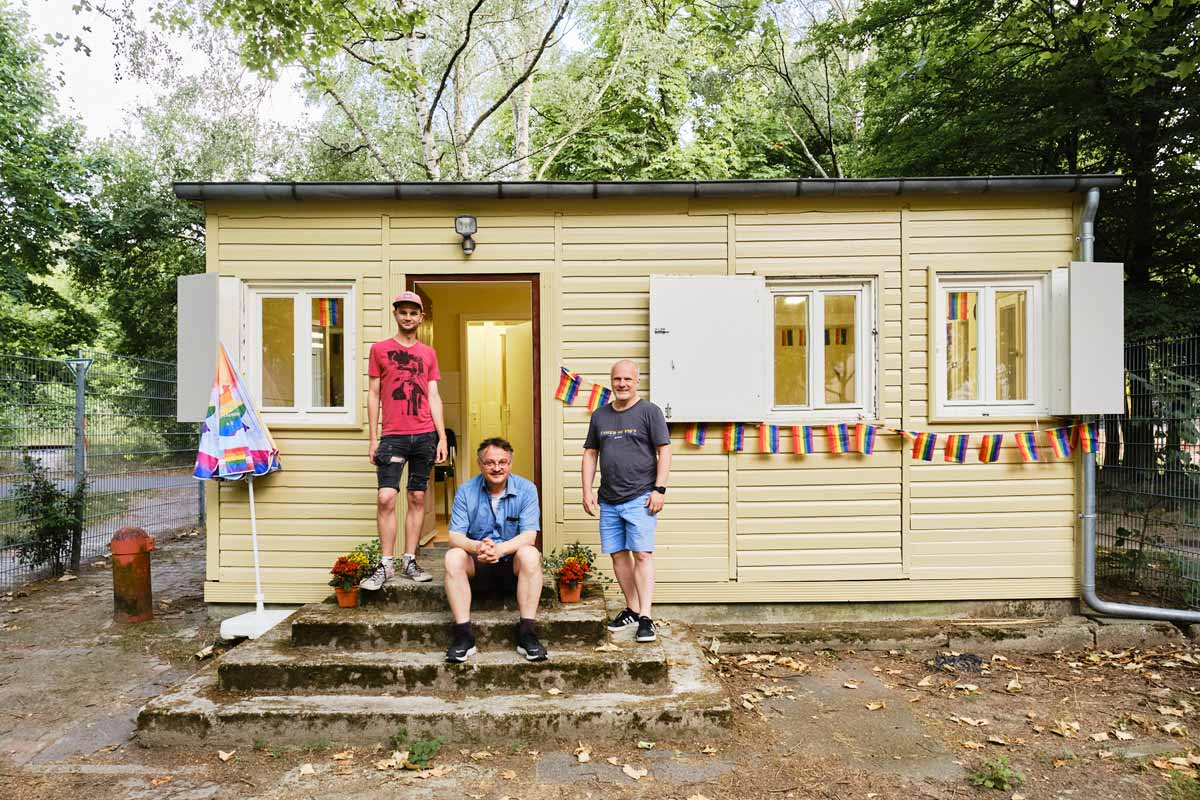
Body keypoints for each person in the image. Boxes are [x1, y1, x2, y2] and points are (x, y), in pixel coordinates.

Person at [359, 291, 448, 590]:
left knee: (417, 497)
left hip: (424, 435)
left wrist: (441, 437)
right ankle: (386, 564)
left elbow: (434, 396)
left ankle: (409, 559)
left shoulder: (429, 354)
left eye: (414, 312)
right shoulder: (380, 350)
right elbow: (373, 394)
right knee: (386, 497)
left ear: (421, 317)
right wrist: (373, 438)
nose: (408, 317)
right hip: (393, 436)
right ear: (395, 315)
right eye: (403, 312)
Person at [581, 359, 671, 644]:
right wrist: (586, 489)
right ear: (611, 381)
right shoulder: (600, 416)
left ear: (637, 381)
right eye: (617, 379)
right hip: (609, 499)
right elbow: (590, 453)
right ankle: (632, 608)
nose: (622, 384)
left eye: (627, 380)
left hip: (641, 497)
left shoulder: (649, 412)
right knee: (618, 555)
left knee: (641, 555)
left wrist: (660, 489)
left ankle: (646, 617)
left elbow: (664, 452)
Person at [443, 438, 547, 663]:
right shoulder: (466, 491)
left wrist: (500, 550)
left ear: (510, 462)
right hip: (478, 563)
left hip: (511, 565)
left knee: (530, 553)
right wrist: (477, 546)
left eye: (503, 462)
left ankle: (527, 634)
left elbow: (530, 535)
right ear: (480, 464)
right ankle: (464, 636)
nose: (497, 468)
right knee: (453, 557)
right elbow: (454, 536)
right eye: (490, 462)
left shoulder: (527, 489)